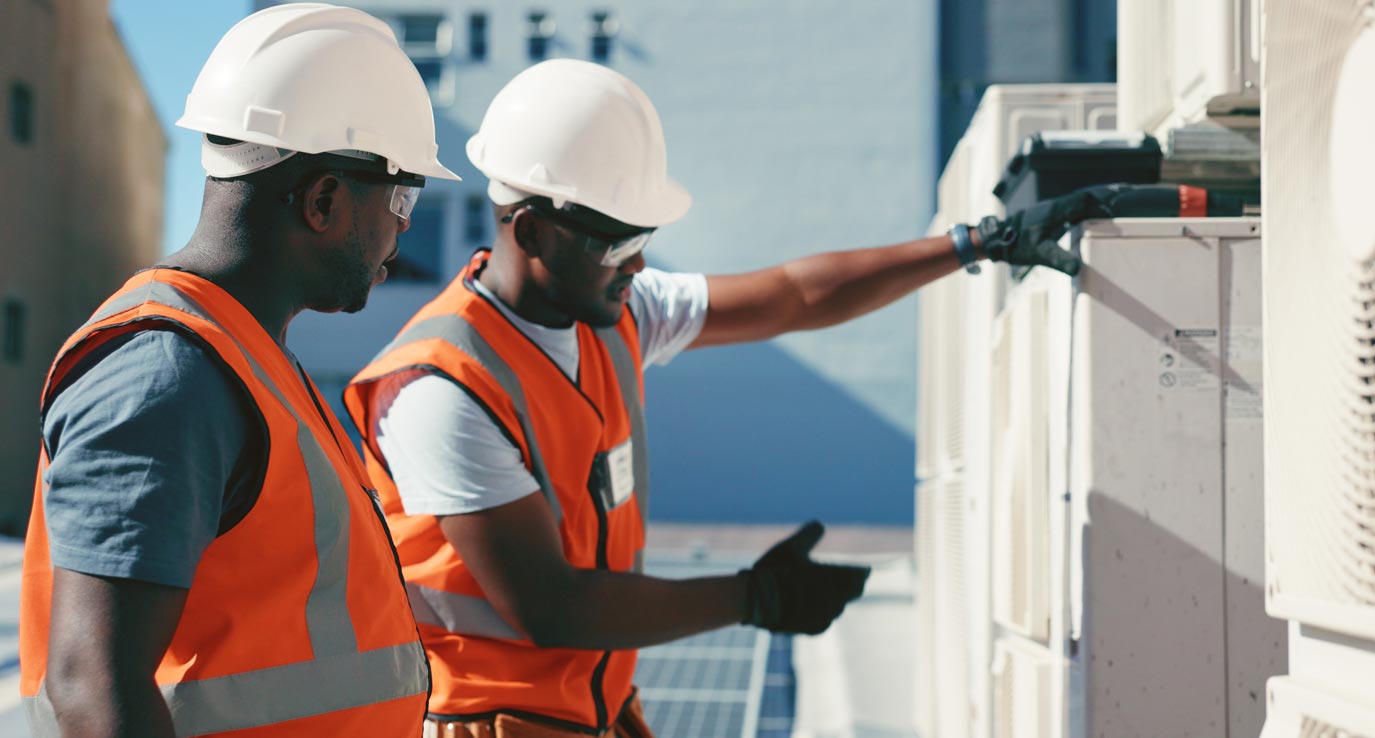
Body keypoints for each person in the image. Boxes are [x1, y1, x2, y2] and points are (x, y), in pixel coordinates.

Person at [343, 59, 1120, 738]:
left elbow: (792, 296)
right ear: (535, 233)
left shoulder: (615, 314)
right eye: (618, 242)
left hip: (593, 713)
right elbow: (552, 608)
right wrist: (755, 596)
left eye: (643, 236)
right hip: (488, 727)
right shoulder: (439, 390)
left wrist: (976, 242)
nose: (639, 262)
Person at [18, 5, 461, 738]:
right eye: (402, 197)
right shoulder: (167, 374)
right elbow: (92, 689)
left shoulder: (243, 355)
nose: (404, 226)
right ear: (323, 199)